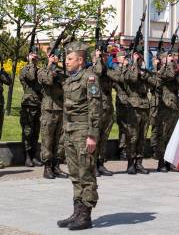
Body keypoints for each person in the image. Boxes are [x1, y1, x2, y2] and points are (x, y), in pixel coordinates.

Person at [57, 41, 101, 231]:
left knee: (86, 173)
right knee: (75, 174)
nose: (66, 62)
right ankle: (77, 211)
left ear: (80, 60)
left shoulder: (90, 78)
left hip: (84, 131)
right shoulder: (70, 79)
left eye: (70, 58)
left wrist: (92, 135)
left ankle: (86, 215)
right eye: (66, 58)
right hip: (70, 131)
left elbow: (95, 108)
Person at [38, 45, 68, 179]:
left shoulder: (62, 71)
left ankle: (56, 166)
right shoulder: (42, 70)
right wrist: (50, 66)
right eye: (54, 55)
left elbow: (66, 84)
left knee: (60, 140)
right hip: (49, 110)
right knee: (48, 140)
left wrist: (58, 71)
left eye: (57, 55)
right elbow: (48, 81)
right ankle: (47, 167)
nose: (57, 57)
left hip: (61, 108)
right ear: (49, 56)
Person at [121, 46, 151, 175]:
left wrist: (144, 74)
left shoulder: (144, 71)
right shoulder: (128, 70)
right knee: (132, 137)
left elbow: (155, 82)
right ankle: (130, 163)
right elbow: (132, 78)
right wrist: (133, 63)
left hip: (145, 107)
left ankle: (139, 162)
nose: (140, 59)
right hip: (133, 108)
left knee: (142, 137)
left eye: (140, 57)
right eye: (138, 56)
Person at [88, 49, 114, 177]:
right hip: (97, 110)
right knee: (95, 137)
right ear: (95, 59)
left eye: (104, 56)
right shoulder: (91, 71)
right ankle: (93, 166)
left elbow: (118, 77)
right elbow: (97, 72)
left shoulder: (107, 71)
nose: (104, 58)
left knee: (104, 138)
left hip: (108, 109)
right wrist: (98, 59)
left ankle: (100, 163)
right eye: (102, 57)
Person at [19, 48, 43, 167]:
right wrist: (31, 63)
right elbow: (32, 77)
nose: (35, 58)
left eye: (36, 56)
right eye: (33, 56)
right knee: (27, 132)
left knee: (36, 132)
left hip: (38, 104)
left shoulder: (39, 70)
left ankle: (34, 156)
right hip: (28, 104)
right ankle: (27, 156)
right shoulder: (25, 70)